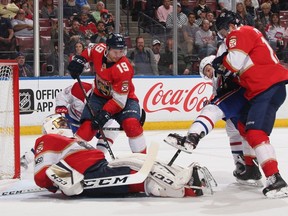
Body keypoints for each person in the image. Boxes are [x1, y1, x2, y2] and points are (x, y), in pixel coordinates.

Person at [33, 113, 216, 198]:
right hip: (89, 172)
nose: (64, 124)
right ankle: (179, 187)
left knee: (138, 161)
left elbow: (43, 178)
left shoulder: (66, 139)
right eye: (60, 122)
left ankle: (183, 173)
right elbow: (41, 176)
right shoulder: (47, 139)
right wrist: (59, 181)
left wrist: (54, 184)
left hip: (97, 166)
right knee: (134, 172)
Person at [211, 10, 288, 198]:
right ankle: (252, 169)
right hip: (264, 89)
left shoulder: (239, 32)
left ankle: (275, 179)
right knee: (245, 126)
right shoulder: (250, 33)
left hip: (266, 88)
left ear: (230, 25)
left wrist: (220, 63)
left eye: (222, 31)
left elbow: (234, 63)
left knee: (255, 132)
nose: (223, 36)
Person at [164, 54, 262, 187]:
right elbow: (218, 96)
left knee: (213, 110)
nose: (209, 74)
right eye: (206, 73)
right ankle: (246, 167)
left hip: (240, 97)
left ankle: (192, 137)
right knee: (237, 132)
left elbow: (220, 100)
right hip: (243, 105)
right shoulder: (216, 82)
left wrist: (212, 104)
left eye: (209, 69)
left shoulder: (224, 68)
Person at [67, 33, 147, 154]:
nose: (119, 55)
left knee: (132, 125)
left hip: (125, 101)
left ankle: (142, 160)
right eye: (116, 52)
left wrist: (105, 114)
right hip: (99, 97)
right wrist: (80, 60)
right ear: (107, 48)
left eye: (122, 51)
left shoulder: (124, 69)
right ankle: (71, 158)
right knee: (87, 129)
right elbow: (89, 51)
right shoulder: (99, 49)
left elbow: (119, 101)